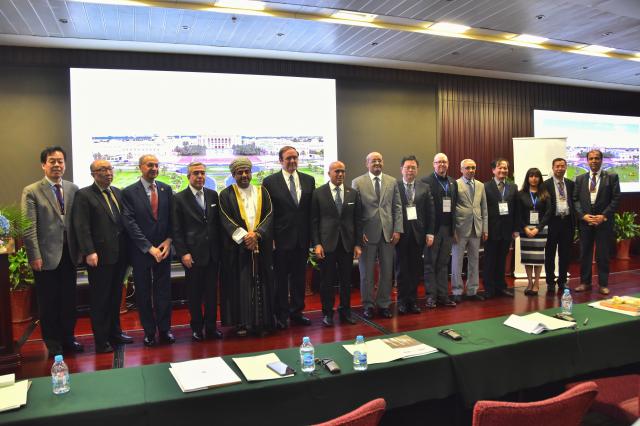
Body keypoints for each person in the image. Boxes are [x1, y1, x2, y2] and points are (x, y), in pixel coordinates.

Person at [22, 146, 82, 356]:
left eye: (60, 161)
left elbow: (77, 223)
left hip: (70, 254)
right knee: (49, 302)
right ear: (43, 165)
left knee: (68, 301)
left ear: (65, 164)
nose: (57, 165)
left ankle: (68, 338)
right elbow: (28, 227)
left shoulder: (73, 188)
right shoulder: (32, 191)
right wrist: (34, 255)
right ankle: (53, 343)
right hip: (45, 256)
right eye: (52, 161)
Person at [72, 160, 133, 353]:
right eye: (103, 170)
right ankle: (101, 340)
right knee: (100, 300)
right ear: (93, 174)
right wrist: (89, 251)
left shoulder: (117, 192)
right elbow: (81, 226)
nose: (108, 172)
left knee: (115, 297)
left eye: (110, 169)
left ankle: (115, 333)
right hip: (99, 257)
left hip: (120, 255)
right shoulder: (84, 195)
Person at [121, 154, 174, 347]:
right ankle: (149, 332)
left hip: (164, 250)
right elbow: (130, 223)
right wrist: (149, 248)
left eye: (157, 165)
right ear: (140, 167)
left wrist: (169, 240)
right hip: (141, 252)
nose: (154, 168)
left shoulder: (166, 189)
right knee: (143, 293)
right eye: (150, 165)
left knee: (164, 292)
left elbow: (172, 218)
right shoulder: (128, 192)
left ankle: (165, 330)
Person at [219, 157, 275, 336]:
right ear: (233, 175)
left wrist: (257, 234)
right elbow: (225, 219)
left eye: (247, 171)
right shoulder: (226, 194)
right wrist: (246, 238)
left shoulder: (262, 191)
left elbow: (270, 214)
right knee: (241, 286)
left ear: (251, 173)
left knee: (262, 284)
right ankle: (242, 323)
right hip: (239, 249)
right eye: (239, 172)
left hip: (261, 246)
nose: (244, 175)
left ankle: (262, 323)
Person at [262, 146, 315, 329]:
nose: (292, 161)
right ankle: (281, 315)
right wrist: (270, 238)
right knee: (281, 279)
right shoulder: (270, 182)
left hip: (302, 239)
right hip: (280, 240)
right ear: (280, 161)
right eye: (288, 158)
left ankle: (297, 312)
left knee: (299, 278)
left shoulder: (309, 180)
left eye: (295, 158)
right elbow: (267, 213)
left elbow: (310, 212)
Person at [172, 162, 223, 341]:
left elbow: (216, 225)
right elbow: (176, 229)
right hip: (192, 255)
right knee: (194, 294)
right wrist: (183, 253)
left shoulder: (213, 195)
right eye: (196, 173)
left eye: (202, 173)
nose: (200, 176)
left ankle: (211, 327)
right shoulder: (179, 198)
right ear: (189, 176)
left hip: (212, 254)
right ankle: (196, 328)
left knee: (211, 294)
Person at [351, 152, 402, 319]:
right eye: (374, 161)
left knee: (387, 272)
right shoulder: (358, 182)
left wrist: (397, 229)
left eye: (380, 160)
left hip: (388, 233)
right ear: (367, 163)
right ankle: (368, 305)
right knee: (366, 273)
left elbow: (397, 207)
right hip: (367, 234)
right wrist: (359, 233)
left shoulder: (392, 181)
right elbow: (355, 211)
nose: (377, 163)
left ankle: (384, 304)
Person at [311, 161, 362, 326]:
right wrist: (317, 244)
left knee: (346, 281)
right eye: (336, 171)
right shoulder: (318, 193)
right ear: (329, 173)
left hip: (347, 244)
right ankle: (328, 313)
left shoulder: (353, 193)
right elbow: (314, 221)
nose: (340, 174)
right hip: (327, 244)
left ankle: (345, 311)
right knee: (327, 281)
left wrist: (358, 244)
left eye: (342, 171)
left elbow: (358, 220)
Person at [574, 149, 621, 295]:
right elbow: (575, 200)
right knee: (585, 254)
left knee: (603, 255)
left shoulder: (611, 177)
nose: (594, 161)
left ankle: (603, 284)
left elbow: (616, 199)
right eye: (591, 158)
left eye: (596, 158)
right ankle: (585, 283)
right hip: (586, 222)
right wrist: (583, 216)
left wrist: (604, 216)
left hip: (603, 222)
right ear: (587, 160)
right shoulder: (580, 179)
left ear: (601, 160)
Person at [395, 155, 434, 314]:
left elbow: (430, 212)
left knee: (415, 270)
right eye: (407, 167)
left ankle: (413, 301)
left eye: (413, 167)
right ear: (401, 169)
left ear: (417, 170)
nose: (410, 170)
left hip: (419, 234)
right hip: (401, 234)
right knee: (401, 270)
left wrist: (430, 232)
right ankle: (402, 302)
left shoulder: (424, 187)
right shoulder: (395, 186)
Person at [421, 153, 458, 308]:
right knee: (430, 263)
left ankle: (443, 296)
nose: (441, 164)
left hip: (448, 229)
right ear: (433, 164)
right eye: (438, 162)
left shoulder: (452, 182)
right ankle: (431, 296)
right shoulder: (425, 182)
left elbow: (454, 207)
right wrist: (427, 232)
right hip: (433, 230)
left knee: (443, 263)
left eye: (444, 162)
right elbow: (424, 209)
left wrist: (454, 230)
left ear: (448, 164)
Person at [451, 159, 488, 303]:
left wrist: (485, 229)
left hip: (476, 228)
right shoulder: (455, 184)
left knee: (474, 260)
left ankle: (472, 290)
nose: (471, 170)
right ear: (461, 169)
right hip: (460, 229)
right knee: (457, 261)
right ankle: (457, 290)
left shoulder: (480, 185)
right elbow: (452, 209)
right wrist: (453, 229)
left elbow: (484, 209)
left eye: (473, 167)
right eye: (467, 168)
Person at [483, 158, 519, 298]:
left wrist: (515, 229)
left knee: (502, 260)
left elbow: (516, 210)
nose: (503, 170)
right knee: (490, 260)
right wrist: (484, 229)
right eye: (500, 168)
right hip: (491, 230)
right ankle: (488, 288)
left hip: (507, 230)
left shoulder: (513, 187)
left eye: (505, 168)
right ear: (493, 170)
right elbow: (482, 210)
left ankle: (501, 287)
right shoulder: (485, 187)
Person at [516, 168, 552, 296]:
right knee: (527, 257)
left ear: (540, 178)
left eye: (536, 176)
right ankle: (529, 282)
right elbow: (518, 213)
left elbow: (548, 213)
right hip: (525, 229)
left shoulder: (545, 194)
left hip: (540, 230)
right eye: (531, 176)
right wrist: (525, 228)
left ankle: (536, 283)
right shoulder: (521, 194)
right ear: (527, 178)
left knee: (538, 258)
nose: (534, 179)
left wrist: (538, 228)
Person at [543, 158, 575, 295]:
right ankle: (550, 281)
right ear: (553, 168)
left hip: (567, 222)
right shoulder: (545, 184)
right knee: (550, 253)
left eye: (562, 166)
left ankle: (562, 281)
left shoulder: (571, 184)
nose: (560, 168)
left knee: (565, 254)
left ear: (566, 167)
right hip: (552, 222)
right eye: (557, 166)